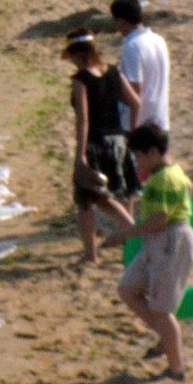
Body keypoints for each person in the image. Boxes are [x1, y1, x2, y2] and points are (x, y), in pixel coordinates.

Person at [103, 124, 193, 381]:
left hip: (170, 243)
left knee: (162, 310)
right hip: (159, 242)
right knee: (128, 289)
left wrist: (123, 235)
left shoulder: (161, 180)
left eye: (138, 156)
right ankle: (166, 339)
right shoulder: (174, 170)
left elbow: (160, 220)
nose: (136, 162)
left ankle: (176, 368)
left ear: (153, 152)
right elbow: (189, 188)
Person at [62, 29, 141, 262]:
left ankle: (92, 254)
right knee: (109, 195)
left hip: (95, 144)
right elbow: (136, 103)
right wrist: (131, 134)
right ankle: (131, 232)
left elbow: (83, 120)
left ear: (76, 54)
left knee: (87, 199)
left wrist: (80, 156)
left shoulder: (81, 80)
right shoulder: (114, 72)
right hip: (118, 140)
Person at [111, 0, 170, 133]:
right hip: (159, 118)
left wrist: (133, 130)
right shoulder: (159, 40)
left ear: (121, 21)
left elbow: (135, 90)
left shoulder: (132, 46)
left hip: (139, 123)